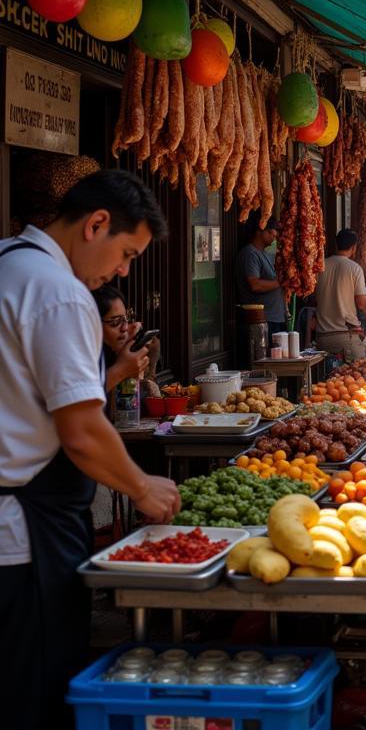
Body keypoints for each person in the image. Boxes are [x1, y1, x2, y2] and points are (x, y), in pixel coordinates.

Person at [0, 170, 180, 729]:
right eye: (125, 254)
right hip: (24, 532)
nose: (122, 272)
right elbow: (80, 429)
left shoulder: (8, 261)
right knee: (35, 688)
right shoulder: (59, 292)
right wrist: (141, 486)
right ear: (96, 223)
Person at [314, 229, 366, 361]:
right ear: (354, 247)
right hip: (346, 337)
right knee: (357, 378)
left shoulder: (320, 266)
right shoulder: (354, 268)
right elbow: (362, 303)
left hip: (322, 337)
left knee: (330, 380)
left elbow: (313, 298)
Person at [92, 284, 158, 394]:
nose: (125, 328)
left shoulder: (120, 353)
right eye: (115, 322)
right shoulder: (86, 359)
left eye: (126, 319)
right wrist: (122, 369)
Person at [237, 216, 286, 335]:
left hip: (275, 318)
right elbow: (255, 285)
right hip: (262, 320)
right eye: (270, 232)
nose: (274, 236)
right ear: (259, 231)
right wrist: (281, 282)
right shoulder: (250, 254)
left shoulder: (266, 254)